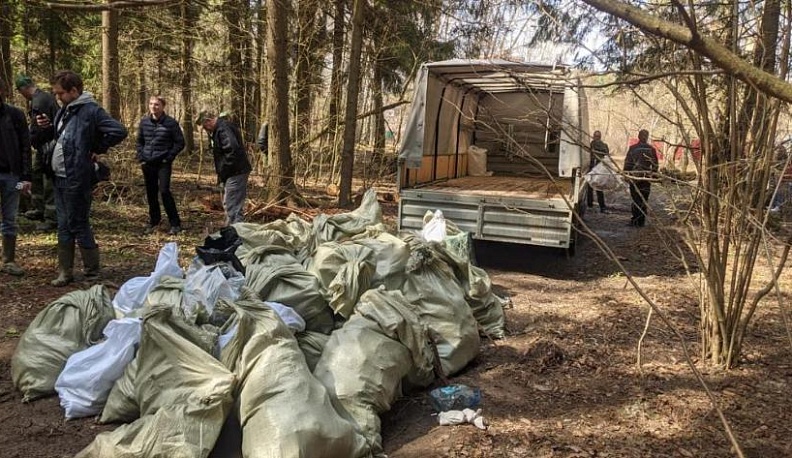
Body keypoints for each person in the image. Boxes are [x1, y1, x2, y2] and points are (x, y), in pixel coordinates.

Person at [36, 70, 128, 286]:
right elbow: (62, 138)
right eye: (56, 93)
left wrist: (97, 147)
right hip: (58, 177)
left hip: (77, 177)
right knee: (63, 224)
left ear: (74, 90)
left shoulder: (91, 111)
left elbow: (118, 131)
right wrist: (47, 127)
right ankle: (65, 272)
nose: (57, 97)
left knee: (79, 223)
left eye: (61, 93)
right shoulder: (65, 111)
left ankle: (92, 274)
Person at [15, 75, 59, 232]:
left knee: (48, 181)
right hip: (41, 148)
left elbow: (45, 127)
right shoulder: (41, 98)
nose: (22, 95)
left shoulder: (40, 100)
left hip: (49, 147)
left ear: (24, 89)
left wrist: (35, 139)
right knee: (36, 174)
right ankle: (39, 209)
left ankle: (51, 218)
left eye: (21, 92)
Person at [136, 95, 185, 235]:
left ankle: (175, 223)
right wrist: (141, 156)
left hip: (163, 163)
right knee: (151, 193)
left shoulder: (171, 123)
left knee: (164, 191)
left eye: (156, 104)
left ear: (163, 106)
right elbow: (139, 141)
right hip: (147, 163)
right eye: (151, 103)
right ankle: (154, 221)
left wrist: (168, 157)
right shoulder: (144, 122)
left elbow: (180, 143)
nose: (153, 106)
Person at [196, 110, 251, 225]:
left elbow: (232, 150)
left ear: (208, 121)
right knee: (232, 205)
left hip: (235, 172)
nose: (206, 129)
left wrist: (224, 170)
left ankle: (235, 236)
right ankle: (233, 233)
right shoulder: (221, 128)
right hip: (235, 171)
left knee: (232, 206)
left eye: (205, 126)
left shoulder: (223, 128)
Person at [0, 83, 32, 276]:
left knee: (10, 218)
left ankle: (9, 260)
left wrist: (26, 176)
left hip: (13, 176)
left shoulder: (15, 115)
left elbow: (25, 147)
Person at [624, 129, 659, 227]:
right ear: (646, 137)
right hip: (646, 178)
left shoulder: (633, 148)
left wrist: (626, 174)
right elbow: (655, 165)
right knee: (644, 199)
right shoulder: (651, 149)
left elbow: (628, 163)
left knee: (636, 199)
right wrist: (654, 174)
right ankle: (641, 221)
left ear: (638, 137)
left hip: (634, 179)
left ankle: (635, 220)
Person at [586, 130, 609, 213]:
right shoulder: (591, 145)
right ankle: (590, 205)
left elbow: (606, 155)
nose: (596, 138)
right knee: (590, 188)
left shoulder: (601, 145)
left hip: (598, 169)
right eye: (595, 136)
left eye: (597, 136)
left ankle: (601, 206)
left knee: (598, 188)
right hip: (592, 168)